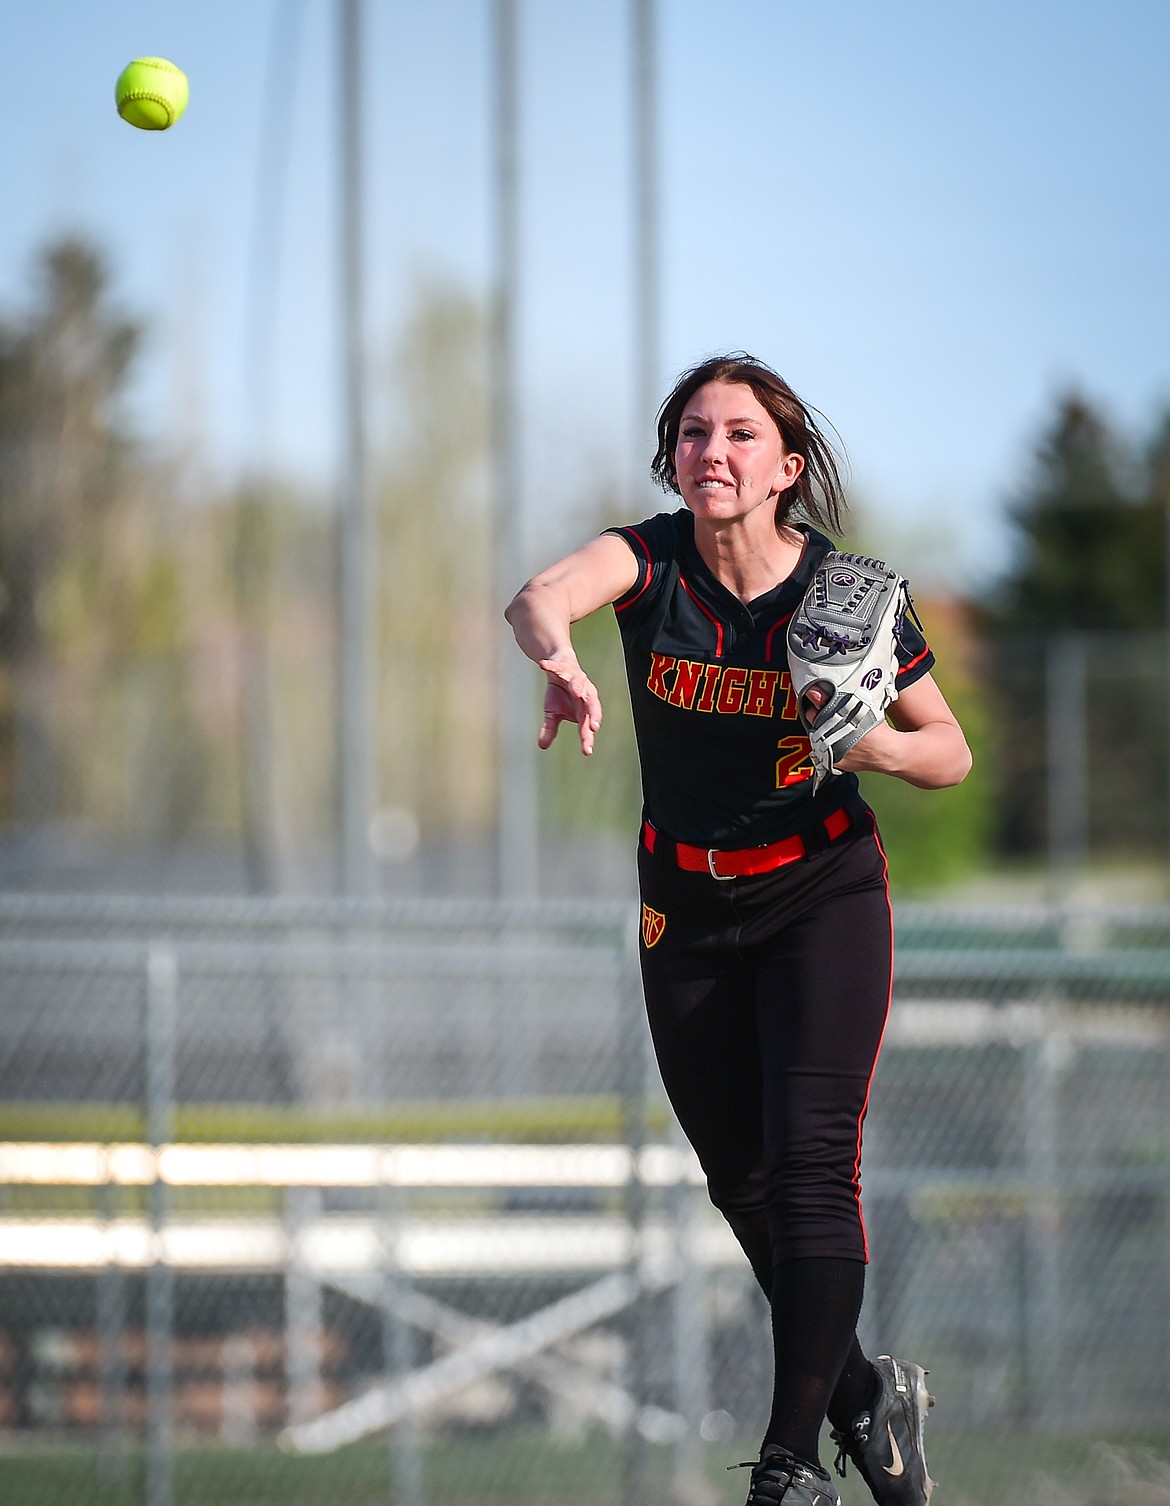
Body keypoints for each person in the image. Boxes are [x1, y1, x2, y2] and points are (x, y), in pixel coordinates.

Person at [505, 353, 971, 1506]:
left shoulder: (847, 595)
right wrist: (556, 653)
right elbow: (538, 594)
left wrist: (871, 748)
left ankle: (788, 1465)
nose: (714, 451)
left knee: (811, 1167)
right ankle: (868, 1400)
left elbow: (949, 753)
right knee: (744, 1184)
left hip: (821, 893)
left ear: (786, 468)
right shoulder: (651, 558)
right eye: (695, 433)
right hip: (687, 902)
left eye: (742, 436)